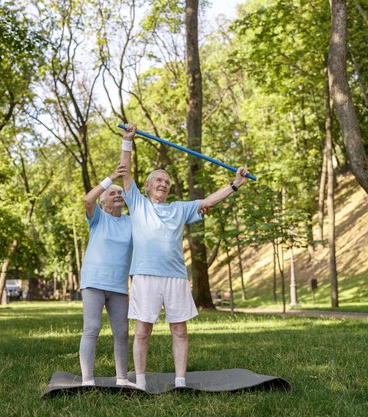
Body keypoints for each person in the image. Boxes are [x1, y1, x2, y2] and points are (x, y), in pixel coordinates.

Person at [120, 123, 250, 390]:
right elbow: (125, 171)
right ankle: (140, 383)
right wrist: (127, 141)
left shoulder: (179, 209)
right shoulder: (138, 203)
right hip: (145, 276)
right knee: (143, 330)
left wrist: (235, 184)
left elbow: (208, 202)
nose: (164, 184)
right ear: (146, 186)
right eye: (159, 180)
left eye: (167, 182)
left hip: (176, 277)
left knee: (179, 330)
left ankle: (181, 382)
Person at [78, 162, 133, 387]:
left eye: (120, 193)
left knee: (121, 332)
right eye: (113, 193)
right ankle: (87, 379)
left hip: (118, 285)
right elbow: (87, 200)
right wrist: (111, 178)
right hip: (93, 281)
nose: (118, 194)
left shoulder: (131, 221)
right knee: (92, 329)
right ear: (104, 201)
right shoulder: (98, 218)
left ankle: (122, 378)